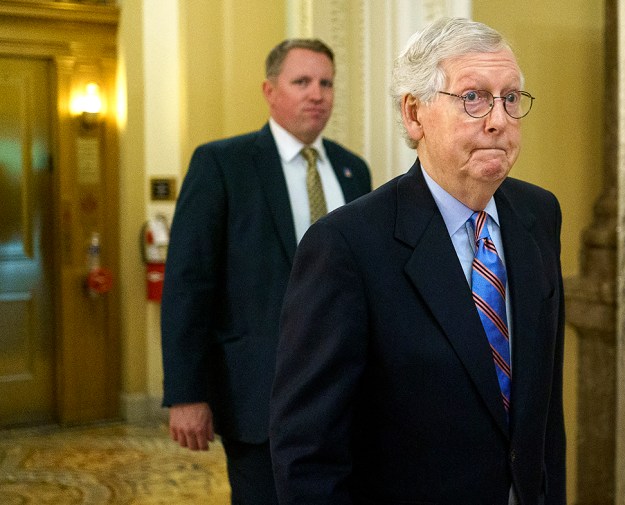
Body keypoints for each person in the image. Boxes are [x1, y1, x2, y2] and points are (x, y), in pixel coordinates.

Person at [270, 17, 566, 505]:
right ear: (414, 115)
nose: (498, 119)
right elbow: (307, 451)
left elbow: (544, 410)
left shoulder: (539, 214)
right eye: (473, 97)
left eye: (510, 98)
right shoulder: (346, 246)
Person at [161, 38, 371, 505]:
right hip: (260, 394)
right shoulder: (222, 164)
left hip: (347, 395)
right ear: (269, 90)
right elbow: (187, 284)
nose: (317, 94)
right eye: (302, 82)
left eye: (326, 83)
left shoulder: (354, 171)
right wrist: (186, 393)